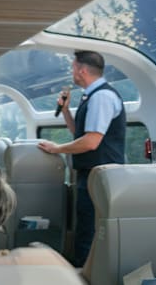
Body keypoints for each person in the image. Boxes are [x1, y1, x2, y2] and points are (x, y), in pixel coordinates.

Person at [36, 50, 125, 267]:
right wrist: (66, 111)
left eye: (73, 68)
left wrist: (57, 149)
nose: (72, 73)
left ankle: (85, 274)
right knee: (85, 225)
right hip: (92, 174)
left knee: (90, 230)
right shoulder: (92, 96)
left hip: (101, 175)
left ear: (82, 70)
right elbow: (81, 133)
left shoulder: (102, 97)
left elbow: (91, 142)